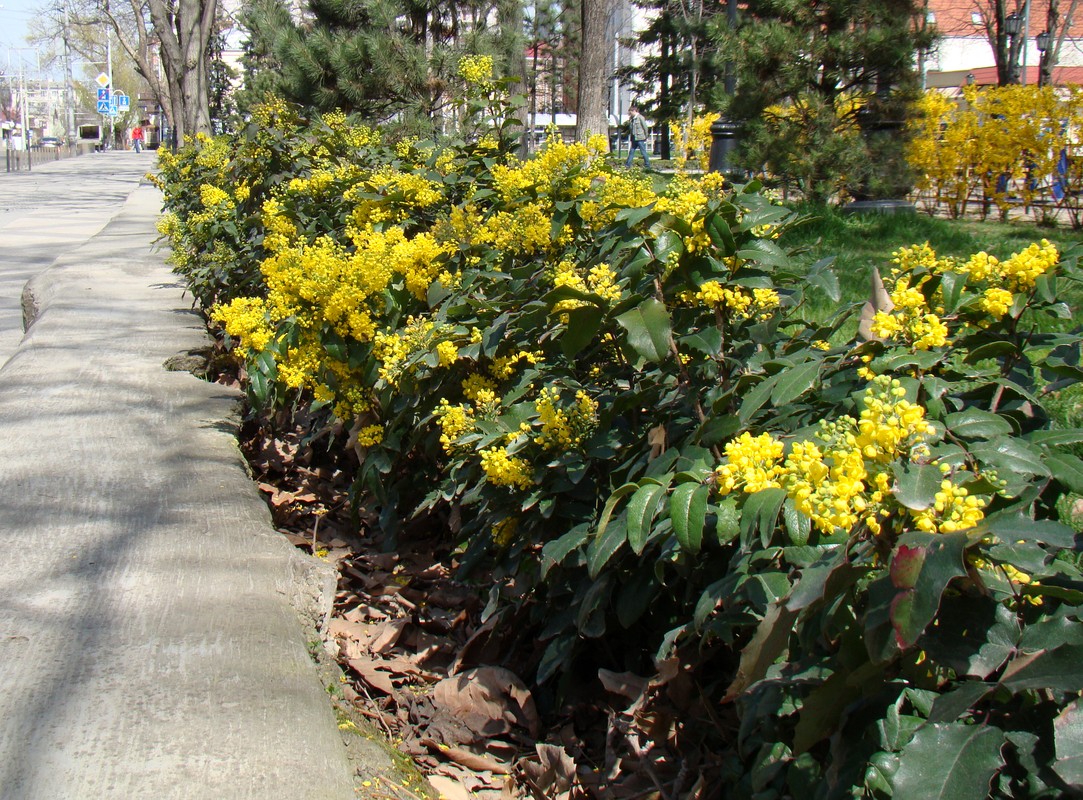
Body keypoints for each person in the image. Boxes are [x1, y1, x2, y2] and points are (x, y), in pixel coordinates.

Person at [625, 105, 651, 170]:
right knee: (631, 152)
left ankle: (647, 165)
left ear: (634, 111)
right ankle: (627, 165)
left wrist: (646, 136)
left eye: (630, 112)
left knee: (643, 152)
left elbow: (645, 127)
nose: (629, 114)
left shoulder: (640, 118)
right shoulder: (632, 119)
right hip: (634, 138)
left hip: (640, 138)